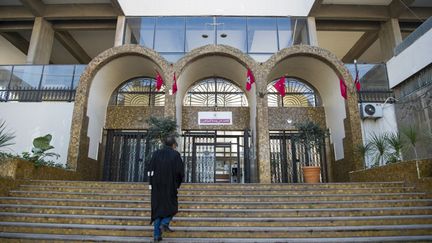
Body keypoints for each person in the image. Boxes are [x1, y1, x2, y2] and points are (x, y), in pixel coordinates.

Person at [148, 135, 184, 242]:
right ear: (173, 145)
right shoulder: (175, 155)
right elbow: (180, 172)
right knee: (173, 207)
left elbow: (150, 169)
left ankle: (156, 236)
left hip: (156, 187)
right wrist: (177, 184)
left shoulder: (156, 154)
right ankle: (165, 223)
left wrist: (151, 184)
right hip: (170, 186)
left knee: (158, 210)